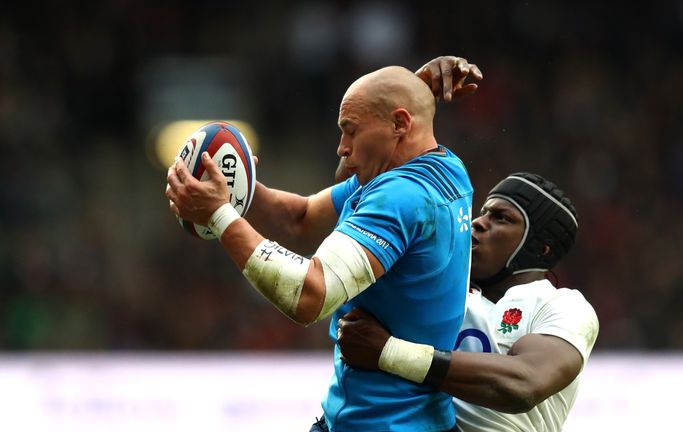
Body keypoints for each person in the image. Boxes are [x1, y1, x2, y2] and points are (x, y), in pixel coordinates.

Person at [165, 57, 480, 431]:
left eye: (351, 131)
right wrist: (234, 186)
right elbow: (299, 218)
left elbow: (308, 295)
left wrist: (219, 214)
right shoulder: (440, 167)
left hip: (385, 424)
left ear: (400, 124)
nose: (342, 148)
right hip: (384, 419)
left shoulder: (401, 196)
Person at [337, 173, 599, 432]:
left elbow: (523, 383)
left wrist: (389, 353)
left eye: (501, 218)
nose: (478, 223)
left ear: (539, 247)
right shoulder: (440, 289)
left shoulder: (562, 306)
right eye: (483, 212)